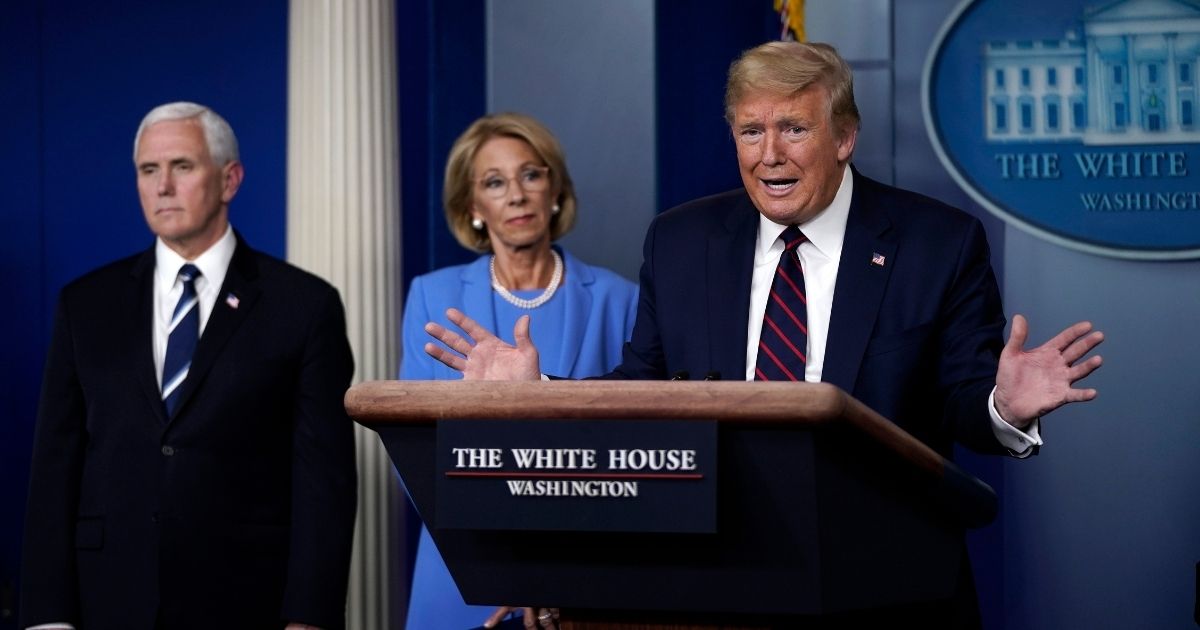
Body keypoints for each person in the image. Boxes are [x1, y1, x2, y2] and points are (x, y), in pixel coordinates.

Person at [423, 42, 1104, 627]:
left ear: (844, 136)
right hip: (714, 589)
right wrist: (537, 393)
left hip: (888, 593)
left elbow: (962, 397)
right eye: (751, 132)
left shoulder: (937, 244)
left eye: (793, 130)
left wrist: (1003, 407)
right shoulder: (682, 241)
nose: (769, 155)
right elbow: (643, 392)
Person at [20, 102, 358, 630]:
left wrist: (309, 618)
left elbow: (325, 482)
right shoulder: (85, 305)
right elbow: (53, 468)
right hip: (108, 600)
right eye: (148, 170)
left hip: (246, 601)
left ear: (229, 180)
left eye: (182, 166)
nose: (162, 186)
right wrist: (46, 616)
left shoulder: (304, 306)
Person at [400, 113, 638, 629]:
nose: (516, 194)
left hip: (581, 575)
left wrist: (548, 574)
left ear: (554, 189)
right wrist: (506, 567)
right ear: (473, 207)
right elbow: (414, 455)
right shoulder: (432, 297)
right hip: (459, 568)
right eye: (494, 182)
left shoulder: (620, 300)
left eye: (531, 174)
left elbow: (627, 452)